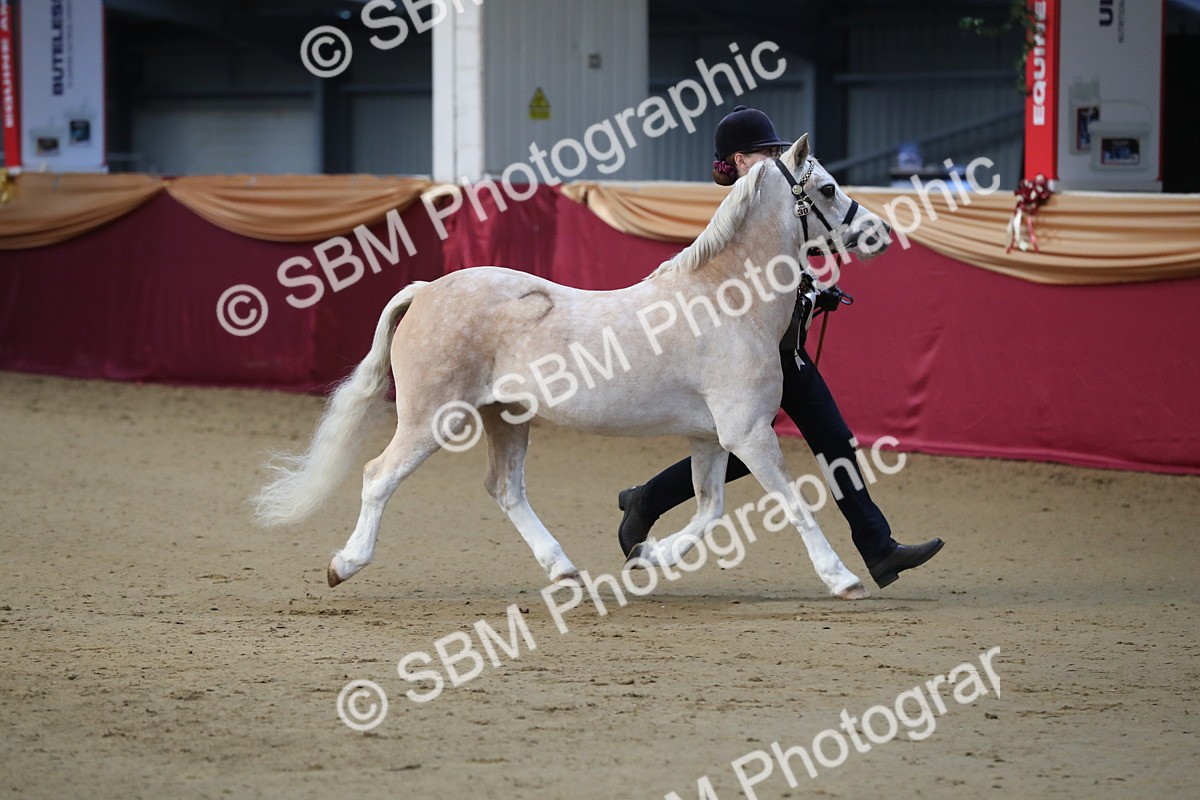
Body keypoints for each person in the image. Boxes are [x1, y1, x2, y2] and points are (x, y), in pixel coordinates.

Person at [617, 105, 943, 589]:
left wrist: (813, 290)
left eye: (775, 150)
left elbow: (790, 266)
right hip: (746, 361)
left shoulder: (781, 207)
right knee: (746, 453)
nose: (775, 157)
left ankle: (878, 548)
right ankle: (647, 499)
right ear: (742, 161)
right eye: (766, 151)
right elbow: (746, 290)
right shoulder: (738, 217)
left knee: (832, 442)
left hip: (785, 356)